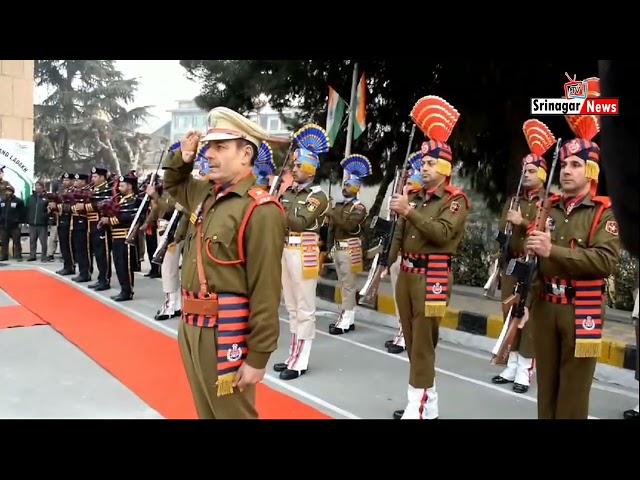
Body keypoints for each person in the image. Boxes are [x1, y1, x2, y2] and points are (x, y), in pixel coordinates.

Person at [163, 107, 286, 419]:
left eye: (220, 147)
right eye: (209, 147)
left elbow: (266, 290)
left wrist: (258, 356)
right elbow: (173, 184)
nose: (210, 154)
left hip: (225, 330)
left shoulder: (261, 210)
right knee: (206, 413)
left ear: (245, 154)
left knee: (233, 415)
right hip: (191, 325)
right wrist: (184, 157)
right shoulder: (205, 193)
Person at [526, 77, 621, 419]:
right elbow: (535, 257)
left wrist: (553, 251)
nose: (566, 171)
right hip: (545, 306)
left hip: (581, 312)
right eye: (564, 164)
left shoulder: (603, 212)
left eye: (575, 165)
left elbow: (605, 261)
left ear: (591, 171)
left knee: (572, 400)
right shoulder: (547, 207)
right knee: (545, 394)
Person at [388, 95, 470, 420]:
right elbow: (399, 231)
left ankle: (418, 406)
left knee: (423, 343)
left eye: (430, 163)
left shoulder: (454, 200)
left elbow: (441, 234)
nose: (423, 168)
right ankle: (426, 402)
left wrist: (409, 210)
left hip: (432, 275)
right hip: (407, 274)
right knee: (411, 340)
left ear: (445, 167)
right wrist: (387, 260)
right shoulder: (416, 196)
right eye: (421, 163)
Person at [491, 119, 556, 394]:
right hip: (511, 262)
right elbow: (503, 230)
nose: (526, 174)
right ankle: (512, 362)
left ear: (543, 174)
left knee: (526, 316)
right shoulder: (514, 198)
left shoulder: (549, 203)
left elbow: (544, 231)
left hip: (533, 266)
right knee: (509, 312)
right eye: (524, 170)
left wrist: (521, 221)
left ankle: (526, 369)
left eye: (532, 170)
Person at [272, 124, 330, 381]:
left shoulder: (318, 197)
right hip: (285, 249)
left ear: (309, 168)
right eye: (293, 165)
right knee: (292, 307)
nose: (293, 169)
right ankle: (292, 354)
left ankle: (301, 360)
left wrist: (277, 207)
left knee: (305, 307)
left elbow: (302, 222)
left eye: (297, 166)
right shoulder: (288, 193)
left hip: (304, 250)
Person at [326, 154, 371, 335]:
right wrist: (329, 246)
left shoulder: (359, 208)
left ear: (357, 188)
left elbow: (349, 226)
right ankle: (348, 319)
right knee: (343, 284)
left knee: (349, 285)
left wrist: (332, 213)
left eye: (349, 185)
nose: (345, 188)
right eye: (344, 184)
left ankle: (345, 321)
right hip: (338, 248)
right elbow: (331, 228)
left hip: (349, 249)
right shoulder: (339, 204)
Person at [100, 174, 140, 301]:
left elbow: (128, 217)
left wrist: (110, 220)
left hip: (125, 236)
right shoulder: (121, 199)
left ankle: (127, 291)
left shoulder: (134, 200)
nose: (119, 188)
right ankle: (123, 289)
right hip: (116, 237)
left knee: (125, 265)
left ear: (130, 186)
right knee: (118, 264)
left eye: (122, 186)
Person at [0, 184, 25, 261]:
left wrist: (19, 221)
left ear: (12, 192)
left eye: (9, 191)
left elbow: (22, 212)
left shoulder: (18, 201)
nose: (7, 192)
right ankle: (4, 256)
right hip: (4, 225)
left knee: (16, 241)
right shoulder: (2, 201)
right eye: (6, 191)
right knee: (4, 242)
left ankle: (18, 255)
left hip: (15, 226)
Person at [26, 181, 49, 262]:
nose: (37, 187)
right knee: (32, 241)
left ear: (43, 188)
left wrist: (46, 217)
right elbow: (27, 209)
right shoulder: (30, 198)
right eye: (36, 186)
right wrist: (27, 220)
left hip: (42, 224)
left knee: (43, 242)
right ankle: (32, 255)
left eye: (39, 186)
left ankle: (44, 256)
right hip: (32, 223)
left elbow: (49, 211)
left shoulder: (46, 198)